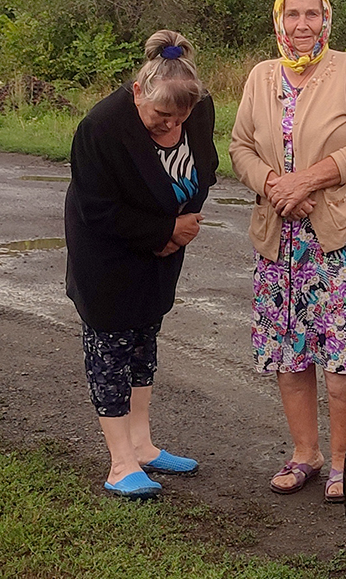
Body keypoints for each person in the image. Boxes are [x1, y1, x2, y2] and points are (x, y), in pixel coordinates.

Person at [229, 0, 346, 503]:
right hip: (280, 238)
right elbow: (240, 146)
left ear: (327, 19)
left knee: (343, 351)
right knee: (289, 350)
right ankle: (305, 455)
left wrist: (308, 180)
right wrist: (275, 185)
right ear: (279, 22)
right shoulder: (260, 76)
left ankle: (342, 461)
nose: (302, 25)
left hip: (342, 235)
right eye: (292, 16)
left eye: (312, 15)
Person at [64, 29, 218, 499]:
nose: (170, 126)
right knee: (110, 347)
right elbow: (97, 208)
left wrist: (182, 224)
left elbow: (205, 167)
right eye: (160, 116)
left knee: (143, 341)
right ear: (137, 91)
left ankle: (144, 446)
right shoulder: (102, 126)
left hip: (165, 246)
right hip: (107, 253)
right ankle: (119, 463)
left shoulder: (197, 107)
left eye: (179, 118)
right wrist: (163, 233)